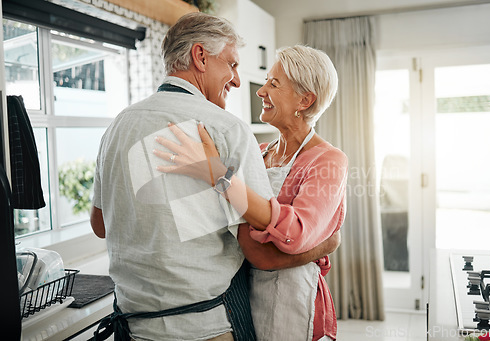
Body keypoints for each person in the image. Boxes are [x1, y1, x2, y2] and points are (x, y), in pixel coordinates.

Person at [90, 13, 339, 341]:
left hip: (131, 326)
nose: (238, 81)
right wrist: (327, 243)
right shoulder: (228, 130)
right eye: (232, 65)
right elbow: (260, 253)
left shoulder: (117, 126)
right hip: (204, 329)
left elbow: (101, 225)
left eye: (272, 83)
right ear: (200, 56)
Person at [154, 45, 347, 341]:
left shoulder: (328, 160)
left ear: (305, 100)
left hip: (291, 300)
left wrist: (218, 174)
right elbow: (229, 220)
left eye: (274, 83)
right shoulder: (259, 153)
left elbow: (295, 232)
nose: (260, 90)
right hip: (243, 294)